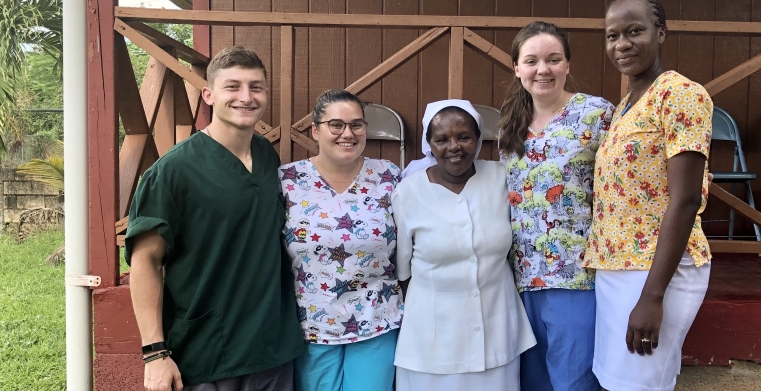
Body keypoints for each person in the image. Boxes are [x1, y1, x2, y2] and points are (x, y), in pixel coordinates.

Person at [126, 46, 304, 391]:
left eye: (256, 87)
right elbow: (145, 261)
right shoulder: (173, 172)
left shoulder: (267, 155)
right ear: (208, 94)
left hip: (272, 348)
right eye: (232, 86)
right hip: (208, 352)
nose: (246, 97)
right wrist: (154, 353)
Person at [584, 1, 713, 390]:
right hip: (615, 264)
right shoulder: (624, 106)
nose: (621, 44)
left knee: (636, 384)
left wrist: (652, 297)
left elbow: (686, 199)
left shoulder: (680, 94)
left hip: (656, 270)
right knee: (617, 381)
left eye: (634, 31)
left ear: (660, 33)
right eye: (612, 36)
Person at [497, 21, 615, 391]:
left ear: (567, 65)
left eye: (553, 59)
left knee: (573, 382)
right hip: (521, 280)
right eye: (531, 61)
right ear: (517, 68)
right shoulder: (511, 126)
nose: (542, 69)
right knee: (533, 383)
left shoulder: (597, 115)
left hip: (577, 277)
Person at [392, 100, 536, 390]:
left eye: (464, 137)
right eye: (442, 139)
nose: (454, 147)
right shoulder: (408, 192)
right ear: (429, 144)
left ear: (479, 139)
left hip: (497, 332)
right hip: (432, 340)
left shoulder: (501, 177)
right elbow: (402, 271)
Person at [280, 89, 403, 391]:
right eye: (336, 124)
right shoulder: (288, 181)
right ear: (315, 130)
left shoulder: (389, 177)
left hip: (377, 320)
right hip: (311, 325)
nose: (347, 133)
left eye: (356, 124)